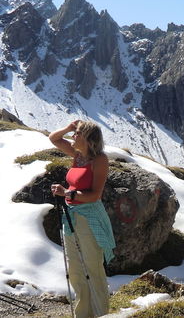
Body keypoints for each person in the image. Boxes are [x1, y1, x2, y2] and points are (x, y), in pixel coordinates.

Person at [49, 120, 116, 317]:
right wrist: (69, 127)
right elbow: (54, 138)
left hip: (89, 216)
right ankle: (83, 313)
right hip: (71, 214)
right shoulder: (78, 156)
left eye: (77, 134)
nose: (73, 137)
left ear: (88, 139)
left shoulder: (99, 160)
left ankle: (100, 313)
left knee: (92, 267)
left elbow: (95, 195)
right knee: (76, 268)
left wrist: (67, 194)